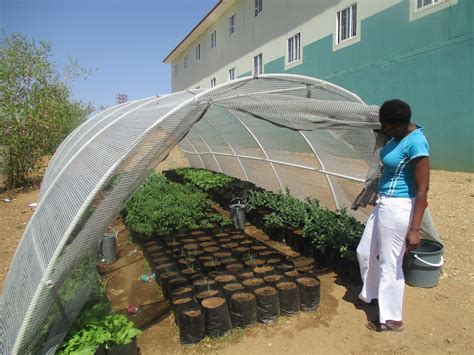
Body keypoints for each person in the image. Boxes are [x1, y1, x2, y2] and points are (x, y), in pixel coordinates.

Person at [356, 99, 430, 332]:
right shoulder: (396, 136)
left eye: (384, 126)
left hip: (398, 207)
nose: (382, 130)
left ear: (398, 125)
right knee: (364, 250)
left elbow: (422, 189)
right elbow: (388, 169)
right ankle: (373, 294)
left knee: (390, 262)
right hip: (384, 203)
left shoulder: (416, 143)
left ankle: (391, 319)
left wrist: (415, 229)